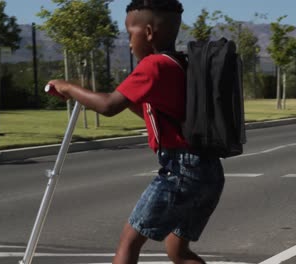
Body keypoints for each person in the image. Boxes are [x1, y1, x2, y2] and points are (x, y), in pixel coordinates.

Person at [47, 1, 225, 263]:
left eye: (130, 33)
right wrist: (111, 98)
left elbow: (108, 106)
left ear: (149, 32)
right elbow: (156, 113)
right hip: (208, 170)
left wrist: (68, 87)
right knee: (178, 250)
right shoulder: (180, 63)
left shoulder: (153, 66)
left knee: (129, 243)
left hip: (181, 170)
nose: (129, 43)